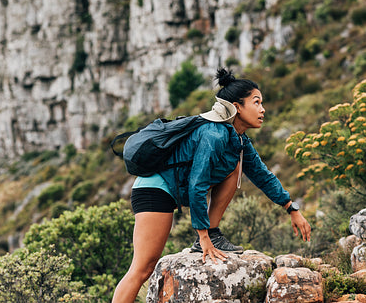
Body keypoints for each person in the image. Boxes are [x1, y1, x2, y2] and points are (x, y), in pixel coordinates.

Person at [112, 68, 311, 303]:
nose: (262, 109)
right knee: (143, 267)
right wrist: (202, 236)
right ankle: (208, 235)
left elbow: (262, 175)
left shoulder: (238, 140)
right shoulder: (214, 134)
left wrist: (291, 207)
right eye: (256, 102)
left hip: (172, 188)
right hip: (155, 187)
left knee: (235, 166)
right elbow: (197, 184)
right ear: (237, 107)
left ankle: (214, 232)